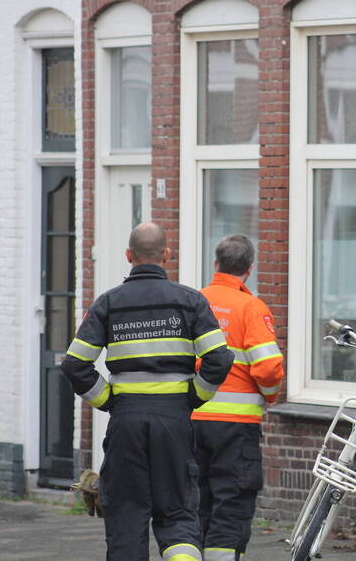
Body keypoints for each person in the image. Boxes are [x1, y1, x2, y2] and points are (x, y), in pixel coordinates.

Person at [62, 222, 234, 561]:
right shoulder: (190, 302)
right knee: (179, 513)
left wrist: (108, 400)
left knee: (126, 514)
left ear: (129, 256)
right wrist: (194, 397)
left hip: (127, 420)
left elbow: (75, 365)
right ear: (167, 255)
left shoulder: (108, 304)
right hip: (174, 420)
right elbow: (219, 358)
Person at [193, 235, 285, 561]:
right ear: (250, 269)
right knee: (231, 500)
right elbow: (269, 368)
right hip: (235, 427)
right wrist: (270, 396)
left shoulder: (194, 302)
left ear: (216, 264)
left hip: (191, 421)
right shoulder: (251, 308)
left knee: (195, 499)